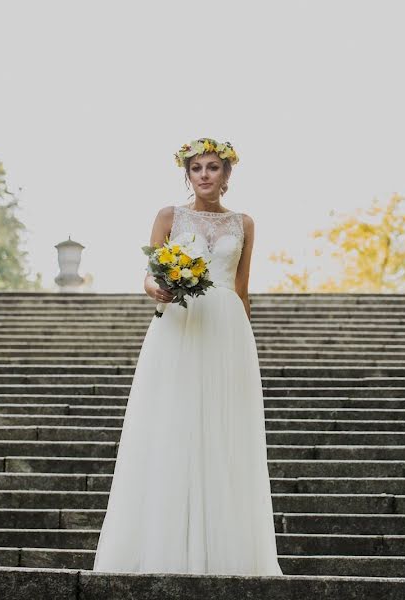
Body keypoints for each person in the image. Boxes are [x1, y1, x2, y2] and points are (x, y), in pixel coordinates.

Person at [92, 138, 283, 576]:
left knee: (222, 428)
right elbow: (148, 272)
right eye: (196, 168)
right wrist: (154, 288)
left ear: (227, 174)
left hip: (227, 330)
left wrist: (245, 348)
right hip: (179, 323)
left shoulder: (245, 223)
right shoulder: (168, 217)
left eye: (213, 167)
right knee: (174, 422)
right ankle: (165, 544)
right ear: (187, 173)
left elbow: (241, 286)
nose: (204, 175)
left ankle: (226, 548)